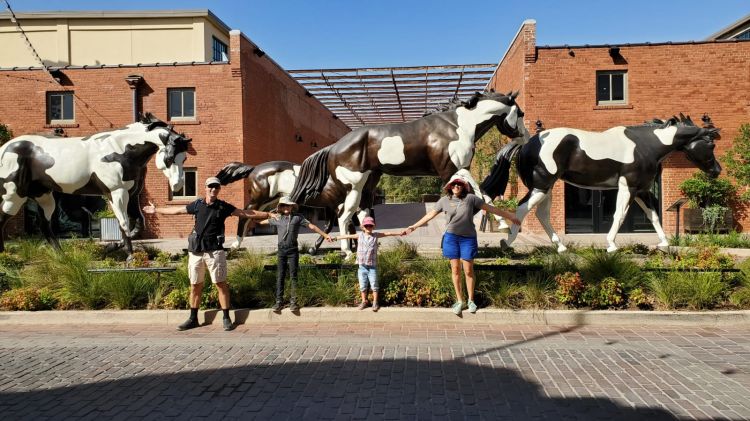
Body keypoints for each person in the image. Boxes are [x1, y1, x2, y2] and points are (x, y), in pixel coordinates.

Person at [142, 176, 275, 331]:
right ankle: (193, 318)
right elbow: (177, 210)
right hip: (196, 252)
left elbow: (245, 213)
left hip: (215, 252)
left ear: (219, 190)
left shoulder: (223, 207)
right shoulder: (197, 204)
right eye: (210, 187)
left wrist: (268, 215)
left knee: (220, 284)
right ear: (205, 188)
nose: (213, 189)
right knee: (195, 286)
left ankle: (226, 317)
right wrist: (155, 209)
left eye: (216, 187)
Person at [403, 176, 521, 315]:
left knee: (469, 270)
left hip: (468, 239)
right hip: (451, 238)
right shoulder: (444, 201)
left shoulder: (471, 199)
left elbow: (490, 208)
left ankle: (471, 300)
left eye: (459, 184)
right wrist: (414, 226)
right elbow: (430, 215)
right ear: (450, 187)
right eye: (454, 184)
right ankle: (460, 301)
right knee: (455, 270)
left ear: (463, 187)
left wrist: (510, 216)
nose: (456, 186)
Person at [259, 196, 333, 313]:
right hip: (281, 251)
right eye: (284, 205)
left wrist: (325, 235)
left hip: (293, 250)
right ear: (281, 207)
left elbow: (312, 226)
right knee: (280, 276)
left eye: (288, 205)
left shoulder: (298, 218)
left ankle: (294, 301)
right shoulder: (278, 218)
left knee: (293, 276)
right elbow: (261, 221)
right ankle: (279, 302)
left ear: (292, 207)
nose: (286, 207)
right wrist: (266, 214)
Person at [332, 216, 403, 312]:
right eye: (366, 226)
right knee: (362, 285)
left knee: (374, 284)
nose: (368, 227)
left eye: (370, 225)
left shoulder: (375, 235)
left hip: (372, 266)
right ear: (363, 227)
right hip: (362, 266)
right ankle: (364, 301)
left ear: (373, 226)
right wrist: (335, 238)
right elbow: (347, 236)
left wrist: (400, 233)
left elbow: (388, 233)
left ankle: (375, 302)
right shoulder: (359, 236)